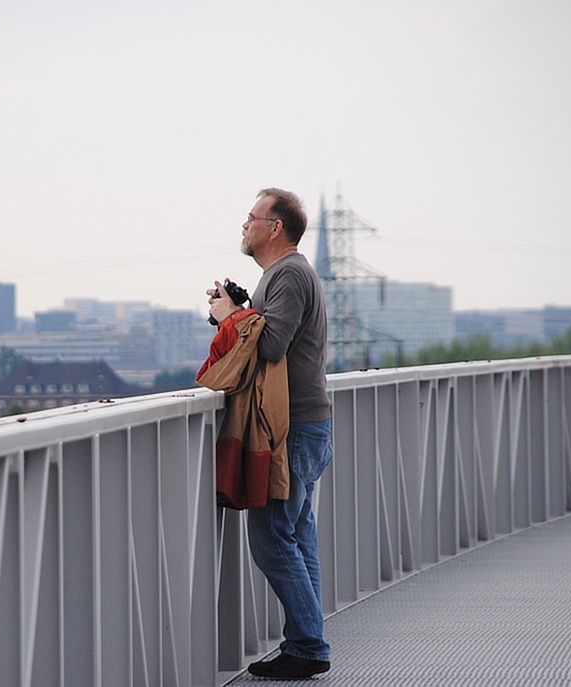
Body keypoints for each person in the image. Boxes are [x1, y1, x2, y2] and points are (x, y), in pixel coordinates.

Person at [208, 188, 333, 679]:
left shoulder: (288, 274)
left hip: (292, 428)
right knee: (296, 536)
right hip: (305, 423)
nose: (244, 226)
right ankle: (307, 641)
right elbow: (269, 331)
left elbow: (272, 343)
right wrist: (241, 309)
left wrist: (229, 318)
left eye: (251, 217)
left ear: (274, 227)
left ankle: (307, 646)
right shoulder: (285, 276)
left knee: (272, 538)